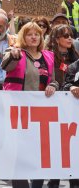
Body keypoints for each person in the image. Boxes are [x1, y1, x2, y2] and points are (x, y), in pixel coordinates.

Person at [2, 22, 58, 188]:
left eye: (37, 34)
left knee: (39, 154)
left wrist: (53, 86)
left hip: (41, 113)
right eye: (29, 34)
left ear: (41, 37)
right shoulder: (15, 52)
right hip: (18, 111)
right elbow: (7, 66)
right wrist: (13, 55)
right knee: (20, 153)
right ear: (22, 37)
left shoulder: (48, 55)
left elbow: (54, 79)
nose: (33, 37)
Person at [46, 24, 79, 188]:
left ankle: (74, 179)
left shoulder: (75, 58)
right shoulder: (49, 56)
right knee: (56, 144)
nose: (69, 38)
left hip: (72, 108)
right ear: (56, 39)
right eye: (65, 36)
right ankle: (54, 179)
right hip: (54, 105)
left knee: (72, 144)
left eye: (71, 35)